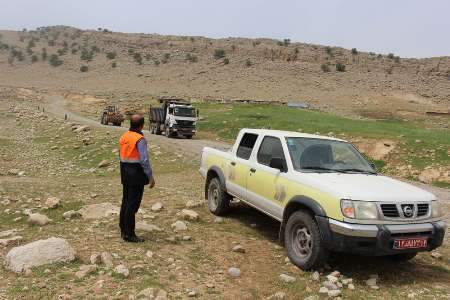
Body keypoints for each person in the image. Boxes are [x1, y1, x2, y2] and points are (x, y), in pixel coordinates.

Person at [119, 114, 155, 243]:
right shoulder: (140, 139)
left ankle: (123, 230)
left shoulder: (124, 136)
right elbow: (144, 160)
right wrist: (150, 177)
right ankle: (129, 234)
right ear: (142, 125)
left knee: (125, 202)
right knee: (132, 205)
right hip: (136, 175)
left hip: (125, 173)